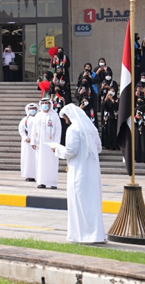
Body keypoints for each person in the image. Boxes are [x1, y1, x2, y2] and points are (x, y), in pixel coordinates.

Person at [51, 104, 106, 244]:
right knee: (92, 203)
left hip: (78, 171)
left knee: (79, 202)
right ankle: (96, 234)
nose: (65, 121)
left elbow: (71, 151)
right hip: (92, 171)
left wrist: (57, 149)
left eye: (65, 118)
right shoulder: (91, 128)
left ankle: (81, 235)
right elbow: (98, 148)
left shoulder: (73, 129)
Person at [31, 97, 62, 190]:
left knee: (52, 162)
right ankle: (41, 182)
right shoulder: (38, 116)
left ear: (50, 104)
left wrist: (56, 144)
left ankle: (53, 182)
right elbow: (34, 129)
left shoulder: (54, 116)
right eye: (43, 103)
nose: (45, 105)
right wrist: (33, 141)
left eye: (46, 103)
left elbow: (58, 130)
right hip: (40, 143)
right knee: (40, 162)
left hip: (51, 143)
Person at [19, 103, 38, 182]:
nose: (32, 110)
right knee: (27, 159)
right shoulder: (25, 120)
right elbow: (21, 130)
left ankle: (37, 175)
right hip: (27, 143)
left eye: (34, 108)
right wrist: (25, 138)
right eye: (31, 109)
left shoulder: (39, 118)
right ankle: (28, 175)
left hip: (37, 143)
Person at [100, 80, 119, 150]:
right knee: (107, 130)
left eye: (113, 91)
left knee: (113, 131)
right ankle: (107, 144)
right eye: (111, 91)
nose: (112, 93)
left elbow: (116, 107)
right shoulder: (106, 99)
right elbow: (104, 107)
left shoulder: (116, 99)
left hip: (114, 117)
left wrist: (112, 100)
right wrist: (105, 99)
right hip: (107, 117)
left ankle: (114, 145)